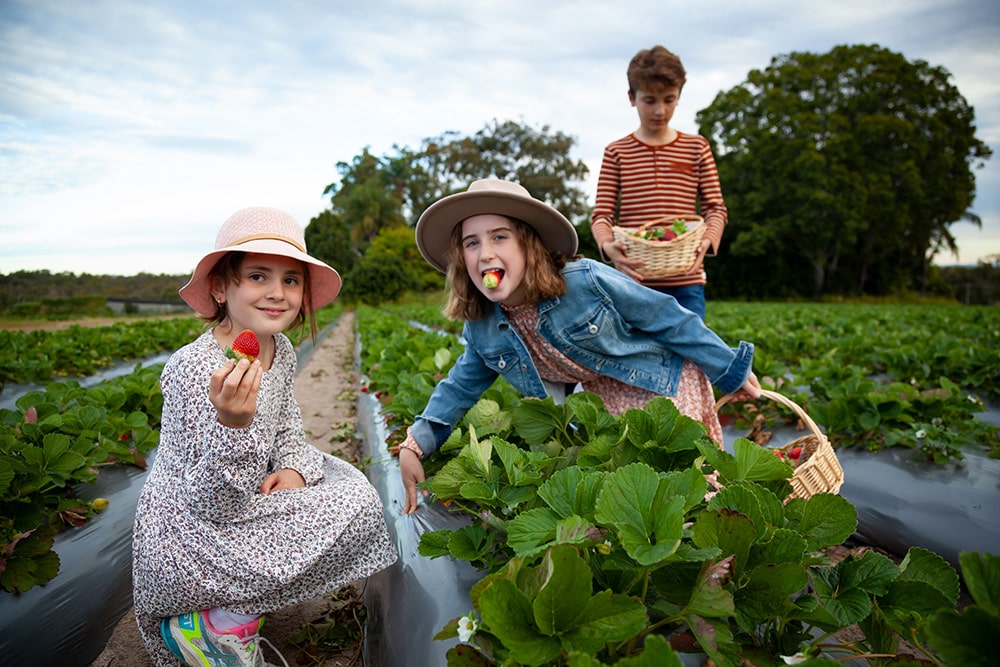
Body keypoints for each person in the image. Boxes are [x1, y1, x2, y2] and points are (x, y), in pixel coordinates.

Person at [132, 207, 397, 667]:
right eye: (258, 276)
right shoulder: (193, 369)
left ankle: (230, 611)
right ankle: (213, 628)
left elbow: (288, 424)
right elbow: (211, 503)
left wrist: (293, 467)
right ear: (220, 287)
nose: (278, 293)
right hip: (189, 535)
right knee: (346, 512)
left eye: (291, 280)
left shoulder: (282, 348)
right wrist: (232, 426)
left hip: (246, 498)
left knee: (357, 497)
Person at [397, 179, 760, 514]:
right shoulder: (483, 326)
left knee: (685, 486)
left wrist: (729, 369)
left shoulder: (585, 281)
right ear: (461, 259)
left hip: (659, 381)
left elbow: (667, 316)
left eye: (499, 237)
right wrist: (415, 445)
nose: (485, 253)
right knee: (628, 498)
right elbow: (460, 386)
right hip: (602, 398)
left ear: (528, 244)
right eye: (471, 242)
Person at [591, 45, 728, 319]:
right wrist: (609, 248)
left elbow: (716, 209)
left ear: (679, 96)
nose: (660, 111)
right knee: (638, 356)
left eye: (669, 99)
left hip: (687, 280)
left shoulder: (696, 147)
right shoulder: (617, 152)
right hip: (633, 281)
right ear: (632, 97)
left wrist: (707, 242)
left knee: (690, 355)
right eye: (650, 100)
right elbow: (602, 216)